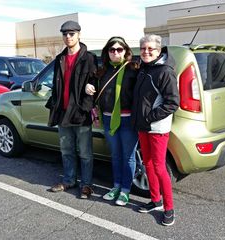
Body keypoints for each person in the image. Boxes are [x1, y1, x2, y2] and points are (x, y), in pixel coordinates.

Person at [131, 34, 180, 226]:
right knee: (148, 165)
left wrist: (149, 118)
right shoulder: (145, 67)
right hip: (143, 126)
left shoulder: (165, 71)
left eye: (151, 48)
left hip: (157, 127)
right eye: (143, 48)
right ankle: (156, 200)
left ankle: (169, 209)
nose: (146, 51)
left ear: (159, 51)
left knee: (159, 167)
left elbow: (172, 103)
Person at [46, 20, 97, 199]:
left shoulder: (89, 58)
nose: (68, 36)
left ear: (79, 35)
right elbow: (55, 84)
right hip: (62, 113)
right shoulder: (60, 58)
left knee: (85, 153)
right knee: (66, 150)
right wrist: (54, 104)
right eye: (65, 34)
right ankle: (69, 180)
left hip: (81, 114)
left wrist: (88, 96)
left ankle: (86, 184)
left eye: (71, 33)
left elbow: (94, 83)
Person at [85, 36, 138, 206]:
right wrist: (88, 86)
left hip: (128, 120)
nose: (115, 52)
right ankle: (116, 186)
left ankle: (125, 190)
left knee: (128, 157)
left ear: (125, 51)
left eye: (119, 49)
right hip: (108, 119)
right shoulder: (102, 72)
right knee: (115, 155)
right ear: (107, 53)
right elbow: (90, 87)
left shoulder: (133, 69)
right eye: (112, 49)